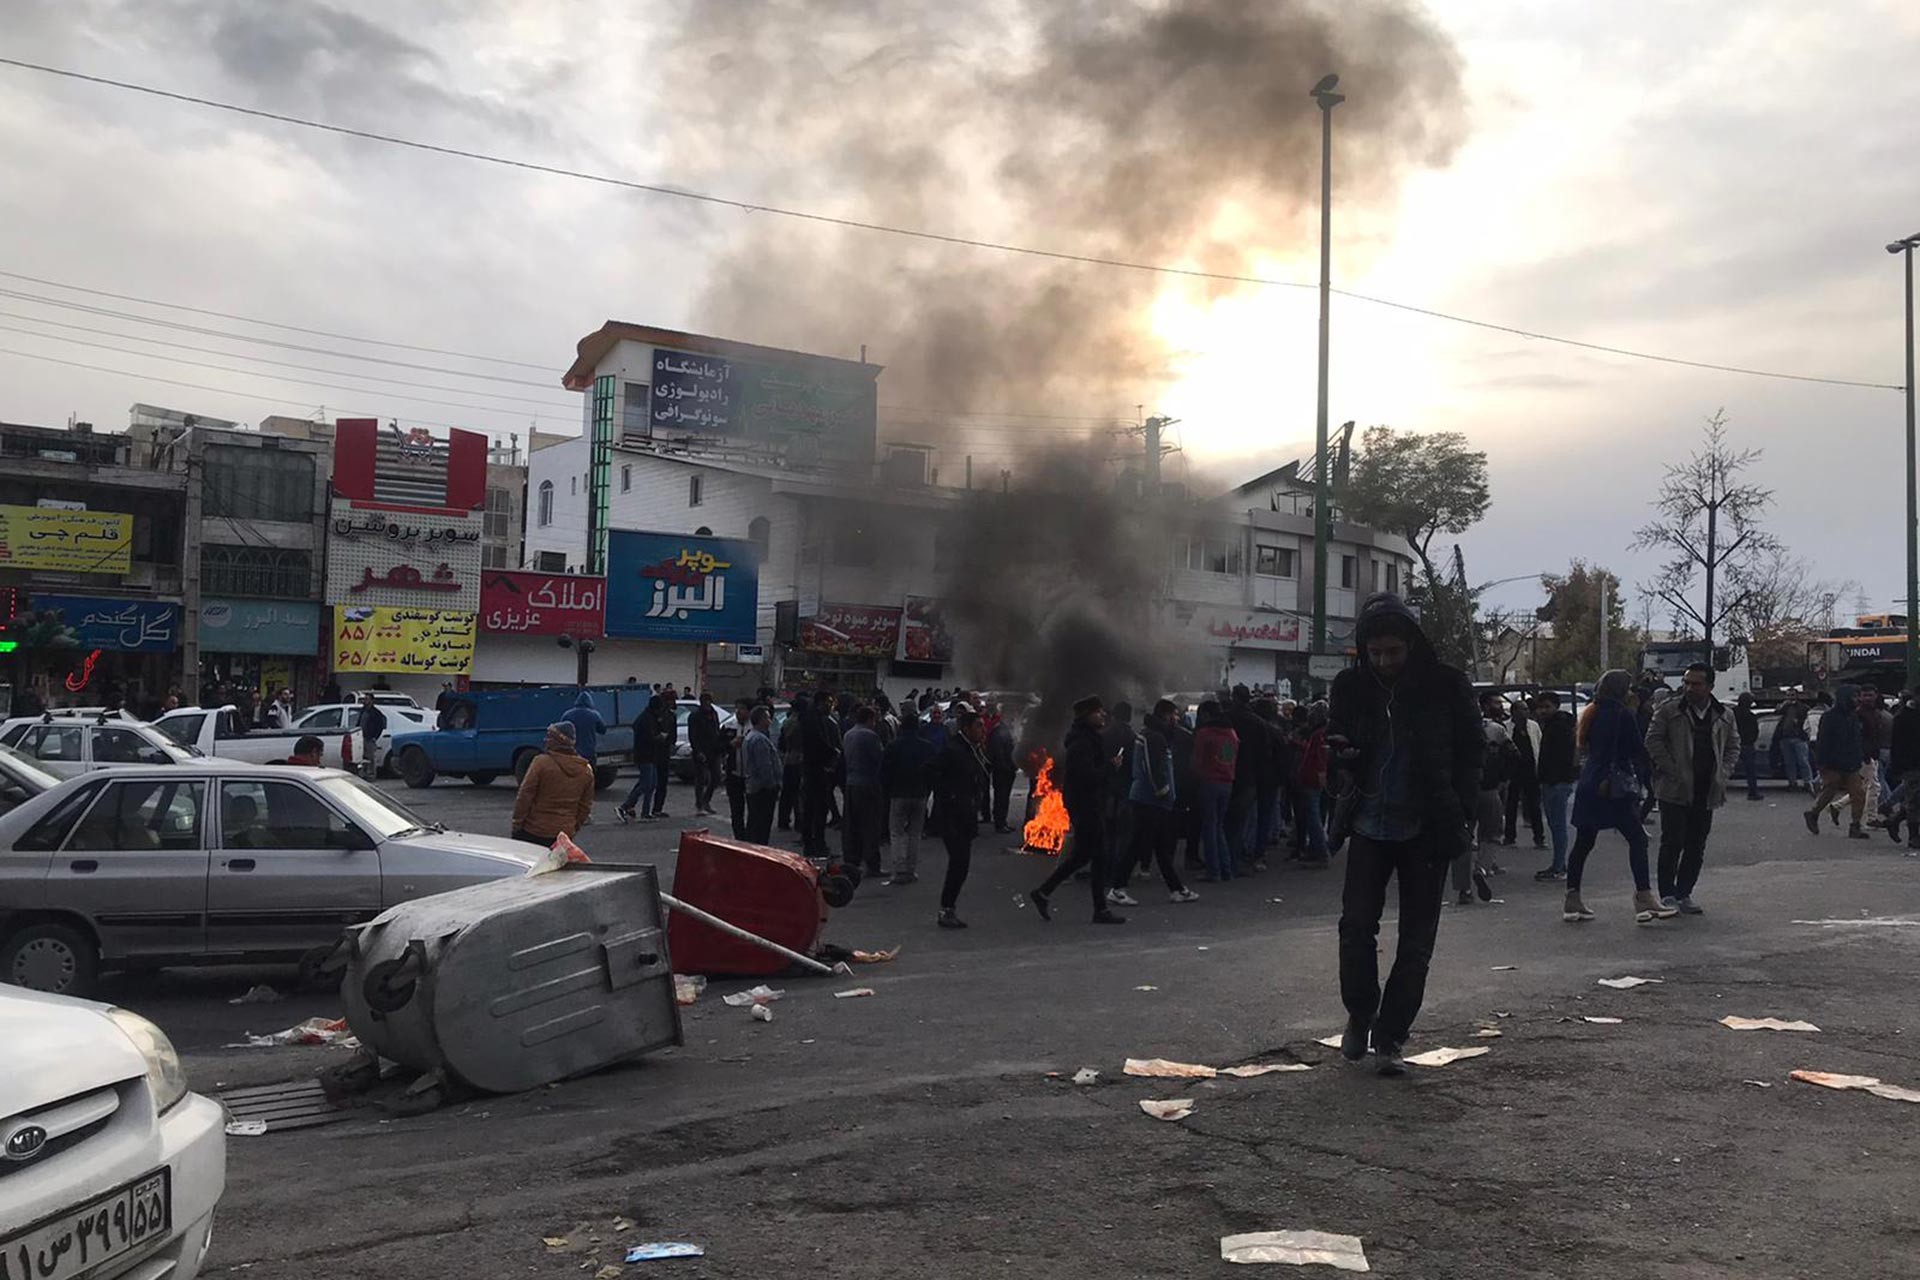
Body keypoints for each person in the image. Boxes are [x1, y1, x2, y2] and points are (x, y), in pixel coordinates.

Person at [1329, 594, 1481, 1077]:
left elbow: (1472, 754)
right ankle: (1360, 1012)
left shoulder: (1447, 686)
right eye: (1375, 653)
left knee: (1416, 943)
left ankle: (1391, 1036)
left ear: (1411, 645)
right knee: (1355, 927)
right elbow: (1336, 746)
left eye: (1393, 652)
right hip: (1370, 823)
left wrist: (1462, 812)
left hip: (1427, 828)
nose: (1384, 662)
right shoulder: (1350, 687)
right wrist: (1344, 757)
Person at [1562, 670, 1676, 924]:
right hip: (1614, 786)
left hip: (1590, 782)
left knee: (1583, 842)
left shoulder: (1591, 712)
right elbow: (1635, 748)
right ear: (1622, 691)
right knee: (1637, 839)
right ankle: (1644, 896)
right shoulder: (1622, 714)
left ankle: (1572, 898)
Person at [1029, 696, 1127, 925]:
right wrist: (1111, 767)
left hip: (1087, 803)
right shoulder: (1082, 743)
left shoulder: (1087, 739)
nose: (1103, 715)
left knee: (1086, 855)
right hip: (1086, 804)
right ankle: (1098, 909)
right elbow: (1088, 777)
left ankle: (1044, 892)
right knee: (1095, 855)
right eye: (1098, 712)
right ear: (1086, 716)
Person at [1646, 662, 1735, 914]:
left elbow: (1732, 747)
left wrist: (1723, 773)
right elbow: (1653, 740)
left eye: (1696, 684)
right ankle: (1667, 894)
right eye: (1686, 682)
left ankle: (1684, 892)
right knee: (1672, 842)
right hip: (1674, 789)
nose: (1689, 688)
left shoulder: (1724, 714)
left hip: (1706, 789)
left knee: (1696, 844)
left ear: (1709, 686)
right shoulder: (1670, 710)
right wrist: (1672, 769)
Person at [1125, 699, 1200, 903]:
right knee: (1142, 844)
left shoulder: (1157, 734)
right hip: (1149, 800)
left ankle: (1176, 889)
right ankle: (1117, 887)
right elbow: (1152, 767)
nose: (1177, 718)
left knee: (1158, 846)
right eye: (1175, 714)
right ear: (1166, 715)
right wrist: (1162, 790)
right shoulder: (1154, 737)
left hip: (1153, 801)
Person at [929, 708, 990, 928]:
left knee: (961, 865)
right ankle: (946, 910)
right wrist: (951, 797)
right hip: (953, 818)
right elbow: (931, 771)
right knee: (959, 864)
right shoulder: (954, 750)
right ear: (966, 729)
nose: (983, 730)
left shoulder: (971, 749)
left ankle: (948, 908)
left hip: (965, 816)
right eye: (978, 726)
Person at [1459, 694, 1514, 902]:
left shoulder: (1452, 730)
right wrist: (1503, 779)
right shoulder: (1496, 729)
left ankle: (1464, 890)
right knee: (1491, 834)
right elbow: (1513, 755)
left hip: (1463, 791)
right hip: (1489, 789)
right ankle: (1482, 868)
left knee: (1462, 838)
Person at [511, 721, 595, 847]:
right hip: (565, 833)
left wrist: (517, 824)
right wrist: (572, 826)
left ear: (557, 741)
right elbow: (585, 806)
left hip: (534, 830)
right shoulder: (585, 770)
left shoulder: (541, 763)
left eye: (549, 737)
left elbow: (525, 796)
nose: (546, 740)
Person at [1804, 682, 1870, 838]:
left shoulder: (1853, 716)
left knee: (1859, 794)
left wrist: (1860, 756)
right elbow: (1823, 741)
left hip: (1851, 761)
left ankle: (1855, 826)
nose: (1857, 699)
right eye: (1854, 696)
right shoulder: (1829, 717)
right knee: (1830, 790)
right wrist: (1822, 763)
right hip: (1832, 762)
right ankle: (1813, 813)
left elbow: (1856, 739)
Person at [882, 709, 936, 885]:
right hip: (919, 794)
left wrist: (887, 789)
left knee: (897, 833)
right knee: (915, 833)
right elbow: (933, 771)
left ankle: (899, 870)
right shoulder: (927, 747)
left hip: (898, 793)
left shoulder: (893, 746)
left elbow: (885, 772)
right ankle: (911, 870)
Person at [1531, 691, 1579, 880]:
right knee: (1556, 825)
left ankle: (1559, 867)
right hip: (1556, 780)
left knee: (1557, 825)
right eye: (1541, 707)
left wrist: (1551, 777)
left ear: (1556, 706)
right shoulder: (1558, 725)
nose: (1543, 711)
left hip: (1556, 782)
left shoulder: (1559, 727)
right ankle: (1559, 865)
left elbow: (1559, 757)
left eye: (1547, 707)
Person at [1191, 700, 1239, 883]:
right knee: (1218, 827)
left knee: (1209, 828)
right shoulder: (1231, 733)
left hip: (1209, 784)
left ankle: (1213, 871)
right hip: (1227, 783)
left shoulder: (1204, 734)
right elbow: (1228, 760)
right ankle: (1225, 869)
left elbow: (1197, 761)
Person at [841, 705, 886, 878]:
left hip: (851, 783)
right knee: (870, 825)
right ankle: (872, 864)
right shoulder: (870, 736)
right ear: (869, 719)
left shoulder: (848, 734)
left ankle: (852, 860)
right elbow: (879, 759)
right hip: (868, 783)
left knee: (852, 824)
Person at [616, 690, 674, 822]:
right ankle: (625, 807)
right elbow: (649, 738)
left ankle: (645, 812)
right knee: (647, 784)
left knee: (651, 783)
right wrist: (660, 738)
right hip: (645, 755)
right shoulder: (647, 719)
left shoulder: (648, 716)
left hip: (649, 755)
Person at [1502, 698, 1545, 848]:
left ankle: (1539, 838)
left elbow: (1538, 745)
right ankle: (1509, 837)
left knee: (1534, 805)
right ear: (1514, 712)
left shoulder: (1533, 726)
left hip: (1530, 771)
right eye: (1522, 709)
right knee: (1511, 805)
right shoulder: (1506, 727)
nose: (1526, 712)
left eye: (1527, 709)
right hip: (1513, 772)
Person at [1293, 702, 1331, 867]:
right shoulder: (1319, 733)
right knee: (1312, 817)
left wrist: (1320, 777)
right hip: (1312, 780)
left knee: (1313, 817)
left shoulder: (1319, 734)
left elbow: (1320, 758)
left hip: (1312, 781)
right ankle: (1315, 850)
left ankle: (1321, 853)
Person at [1882, 692, 1920, 850]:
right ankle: (1913, 836)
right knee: (1915, 799)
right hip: (1911, 764)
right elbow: (1896, 745)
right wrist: (1897, 766)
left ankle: (1894, 820)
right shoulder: (1903, 717)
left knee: (1916, 798)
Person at [742, 707, 781, 843]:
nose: (770, 721)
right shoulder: (759, 740)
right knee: (761, 824)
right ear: (761, 720)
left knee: (754, 821)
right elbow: (765, 766)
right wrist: (772, 785)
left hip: (754, 786)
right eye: (767, 718)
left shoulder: (751, 736)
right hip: (762, 789)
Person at [984, 702, 1018, 834]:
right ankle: (1000, 823)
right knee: (1001, 797)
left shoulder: (1007, 730)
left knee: (1004, 797)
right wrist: (1007, 767)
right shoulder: (999, 731)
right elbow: (997, 753)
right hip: (1002, 770)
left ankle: (1002, 821)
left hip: (1007, 769)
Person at [688, 692, 722, 817]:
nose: (707, 703)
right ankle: (699, 804)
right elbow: (693, 736)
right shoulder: (695, 716)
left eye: (709, 701)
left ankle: (706, 800)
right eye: (705, 701)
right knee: (701, 778)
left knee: (716, 777)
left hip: (714, 750)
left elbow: (716, 730)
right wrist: (698, 751)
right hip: (701, 750)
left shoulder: (714, 714)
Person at [726, 699, 755, 839]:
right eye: (737, 709)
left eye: (742, 709)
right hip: (734, 774)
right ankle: (739, 837)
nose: (738, 712)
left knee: (754, 809)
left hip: (751, 775)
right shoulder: (729, 726)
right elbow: (717, 746)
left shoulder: (754, 728)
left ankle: (750, 836)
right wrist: (731, 744)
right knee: (736, 810)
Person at [1776, 695, 1814, 791]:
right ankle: (1792, 782)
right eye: (1788, 695)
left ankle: (1808, 782)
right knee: (1789, 762)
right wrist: (1783, 705)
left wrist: (1799, 724)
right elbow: (1777, 713)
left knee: (1803, 761)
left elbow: (1807, 719)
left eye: (1792, 695)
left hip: (1799, 738)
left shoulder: (1803, 707)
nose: (1790, 697)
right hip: (1786, 738)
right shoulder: (1785, 707)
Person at [777, 697, 805, 830]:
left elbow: (781, 743)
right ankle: (800, 821)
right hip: (798, 758)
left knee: (787, 792)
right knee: (798, 793)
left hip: (789, 758)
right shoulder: (801, 722)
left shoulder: (787, 721)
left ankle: (783, 820)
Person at [1732, 691, 1763, 801]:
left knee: (1724, 767)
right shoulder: (1750, 716)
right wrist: (1750, 741)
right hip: (1747, 745)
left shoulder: (1732, 713)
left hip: (1732, 743)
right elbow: (1754, 732)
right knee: (1750, 771)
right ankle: (1752, 792)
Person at [563, 691, 606, 764]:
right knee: (588, 773)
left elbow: (561, 731)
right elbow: (603, 730)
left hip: (572, 752)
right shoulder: (594, 715)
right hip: (589, 753)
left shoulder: (567, 715)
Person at [357, 692, 386, 781]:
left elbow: (380, 726)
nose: (365, 701)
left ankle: (371, 775)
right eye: (364, 699)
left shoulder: (376, 713)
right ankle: (363, 774)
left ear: (372, 701)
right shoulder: (363, 711)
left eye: (367, 699)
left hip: (370, 738)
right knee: (362, 757)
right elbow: (359, 722)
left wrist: (374, 737)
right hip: (361, 737)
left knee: (371, 758)